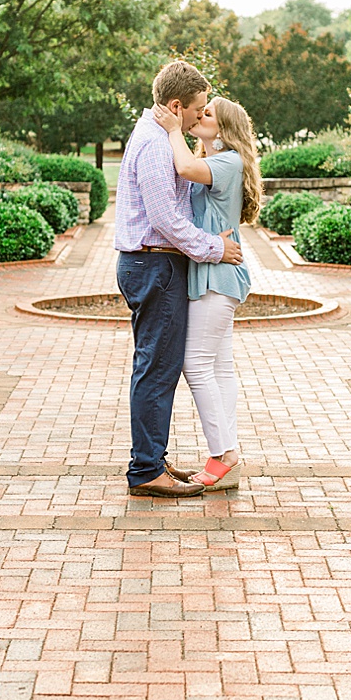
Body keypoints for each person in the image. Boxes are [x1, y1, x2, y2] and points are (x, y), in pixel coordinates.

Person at [114, 61, 244, 498]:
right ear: (176, 105)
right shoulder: (155, 143)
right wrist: (215, 248)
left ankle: (153, 459)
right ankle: (147, 470)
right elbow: (166, 219)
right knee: (157, 369)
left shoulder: (159, 136)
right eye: (199, 108)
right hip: (154, 263)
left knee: (159, 367)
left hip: (158, 264)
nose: (199, 115)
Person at [151, 96, 261, 491]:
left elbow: (184, 166)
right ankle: (224, 453)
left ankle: (224, 452)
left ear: (225, 128)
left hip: (217, 276)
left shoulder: (228, 161)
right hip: (212, 272)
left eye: (208, 114)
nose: (200, 115)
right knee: (218, 367)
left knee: (195, 364)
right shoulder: (218, 161)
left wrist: (174, 129)